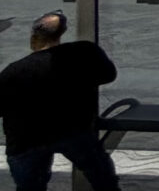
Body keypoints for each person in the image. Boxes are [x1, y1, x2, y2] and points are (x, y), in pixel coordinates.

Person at [0, 12, 120, 191]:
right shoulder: (84, 52)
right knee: (102, 179)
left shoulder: (15, 71)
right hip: (73, 130)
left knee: (29, 186)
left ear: (34, 35)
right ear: (63, 31)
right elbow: (108, 75)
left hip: (26, 139)